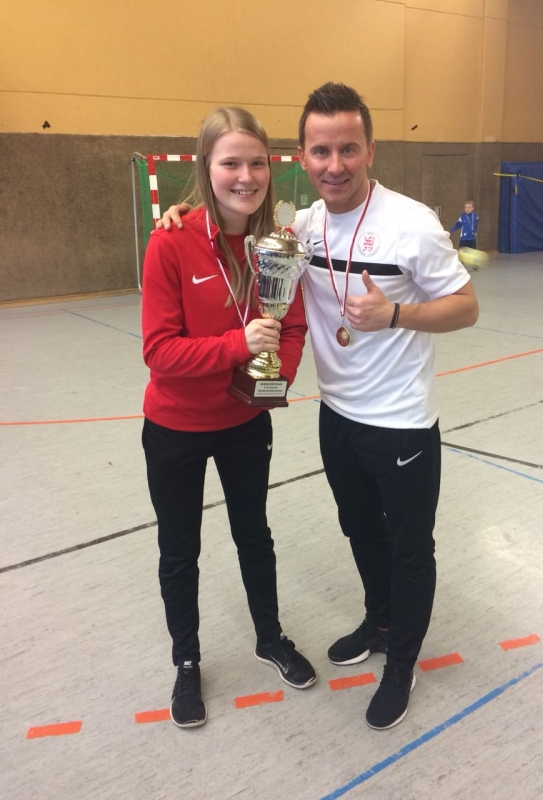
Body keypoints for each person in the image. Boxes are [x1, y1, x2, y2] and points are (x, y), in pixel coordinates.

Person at [159, 83, 479, 731]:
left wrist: (396, 314)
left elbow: (466, 307)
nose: (335, 165)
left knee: (409, 547)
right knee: (359, 530)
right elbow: (233, 220)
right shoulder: (298, 228)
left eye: (348, 149)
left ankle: (401, 664)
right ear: (302, 157)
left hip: (402, 420)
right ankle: (380, 619)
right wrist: (181, 213)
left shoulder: (412, 221)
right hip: (338, 417)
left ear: (370, 150)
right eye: (321, 151)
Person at [142, 106, 316, 730]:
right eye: (231, 163)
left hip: (245, 421)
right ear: (206, 167)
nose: (246, 176)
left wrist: (275, 377)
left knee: (254, 534)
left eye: (257, 163)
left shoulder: (279, 244)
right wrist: (237, 347)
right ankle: (187, 660)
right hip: (176, 428)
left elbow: (291, 327)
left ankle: (269, 637)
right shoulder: (170, 241)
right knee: (179, 549)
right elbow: (159, 353)